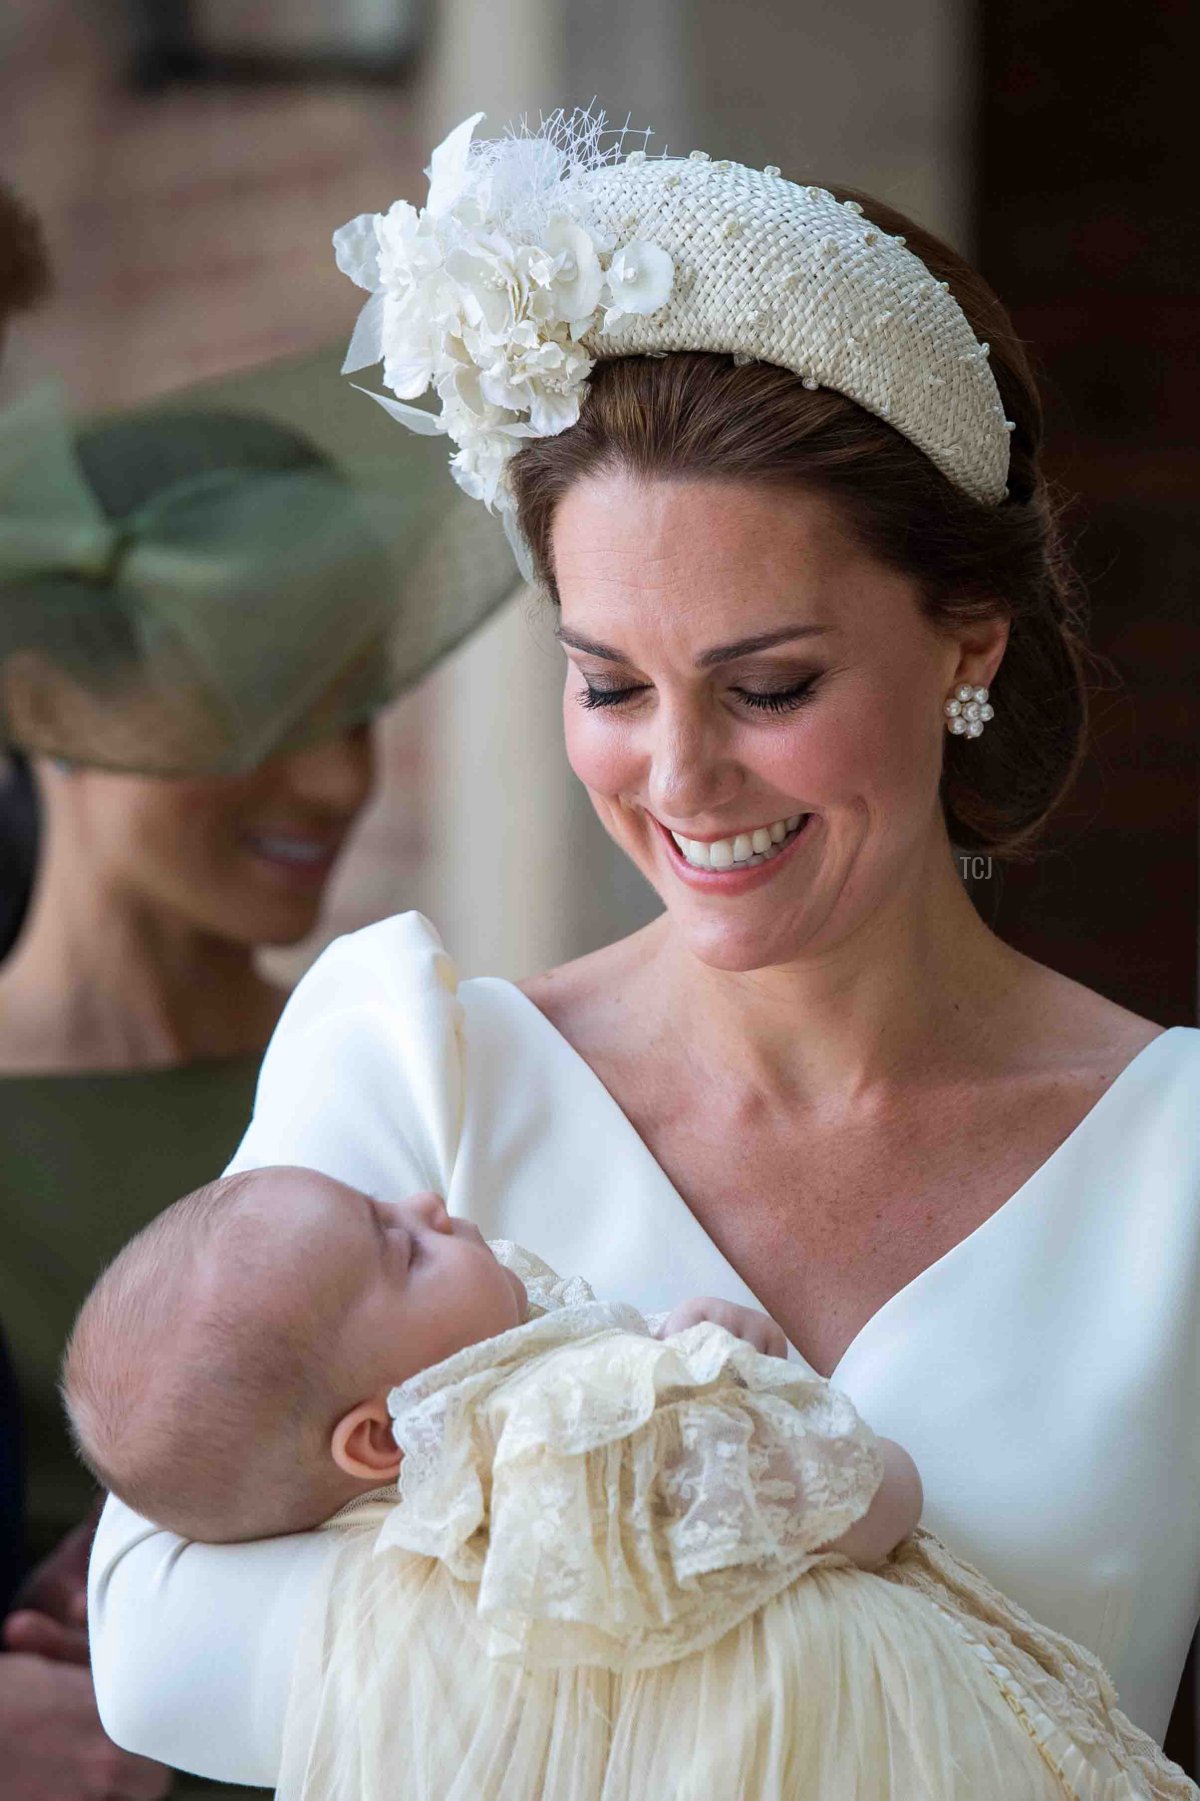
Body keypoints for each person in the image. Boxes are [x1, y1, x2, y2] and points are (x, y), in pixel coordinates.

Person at [89, 112, 1200, 1790]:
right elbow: (158, 1654)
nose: (677, 781)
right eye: (610, 684)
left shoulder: (1175, 1166)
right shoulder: (420, 1072)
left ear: (966, 642)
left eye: (769, 688)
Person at [0, 370, 515, 1796]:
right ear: (41, 695)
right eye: (260, 709)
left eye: (352, 708)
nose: (333, 786)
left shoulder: (425, 1068)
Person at [68, 1173, 1191, 1797]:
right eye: (403, 1247)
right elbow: (869, 1504)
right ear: (375, 1441)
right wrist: (751, 1380)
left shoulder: (438, 1525)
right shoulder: (585, 1433)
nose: (433, 1203)